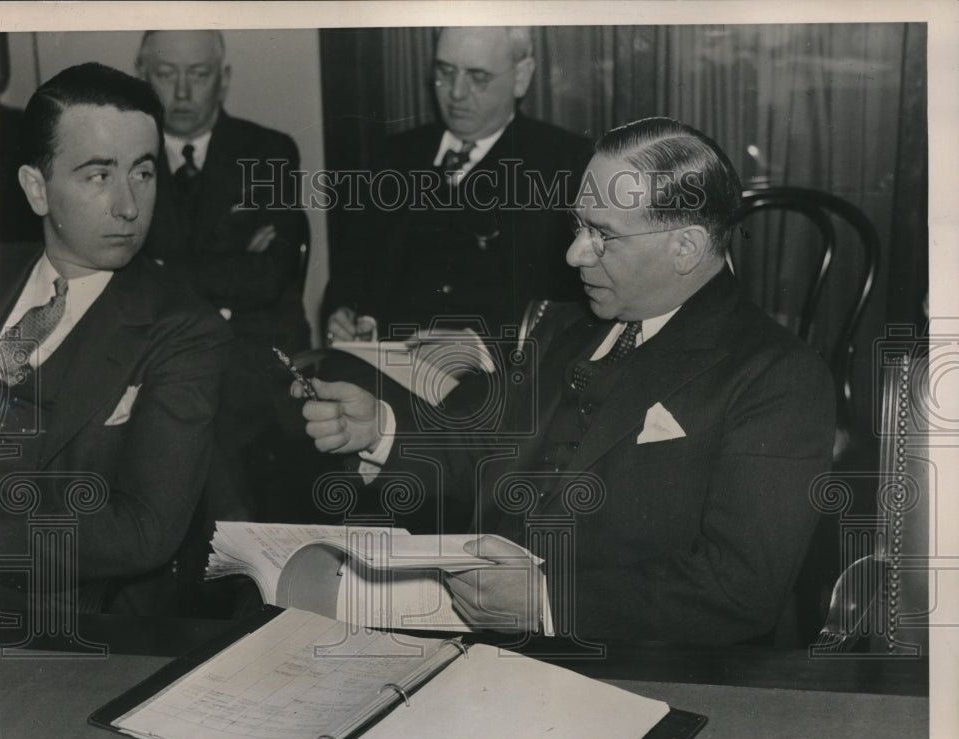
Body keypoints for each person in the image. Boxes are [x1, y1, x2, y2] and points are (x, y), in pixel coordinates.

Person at [295, 118, 837, 646]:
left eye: (603, 236)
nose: (574, 254)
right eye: (579, 225)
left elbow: (741, 589)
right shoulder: (561, 327)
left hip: (636, 665)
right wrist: (379, 431)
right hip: (479, 642)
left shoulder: (777, 376)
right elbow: (480, 444)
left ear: (686, 247)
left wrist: (550, 602)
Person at [0, 62, 231, 618]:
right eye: (99, 176)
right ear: (36, 188)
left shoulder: (184, 328)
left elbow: (144, 530)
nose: (129, 205)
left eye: (142, 173)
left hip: (60, 619)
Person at [323, 26, 592, 344]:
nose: (456, 93)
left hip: (500, 375)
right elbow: (351, 270)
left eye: (478, 77)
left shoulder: (564, 162)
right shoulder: (393, 156)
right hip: (384, 363)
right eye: (445, 71)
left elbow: (566, 303)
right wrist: (342, 313)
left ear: (521, 76)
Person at [136, 30, 310, 516]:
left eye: (200, 74)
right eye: (167, 75)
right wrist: (232, 267)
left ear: (224, 79)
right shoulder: (124, 159)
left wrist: (161, 267)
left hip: (252, 353)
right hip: (157, 350)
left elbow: (270, 276)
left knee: (201, 415)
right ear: (141, 75)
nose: (183, 92)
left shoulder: (268, 152)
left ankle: (235, 574)